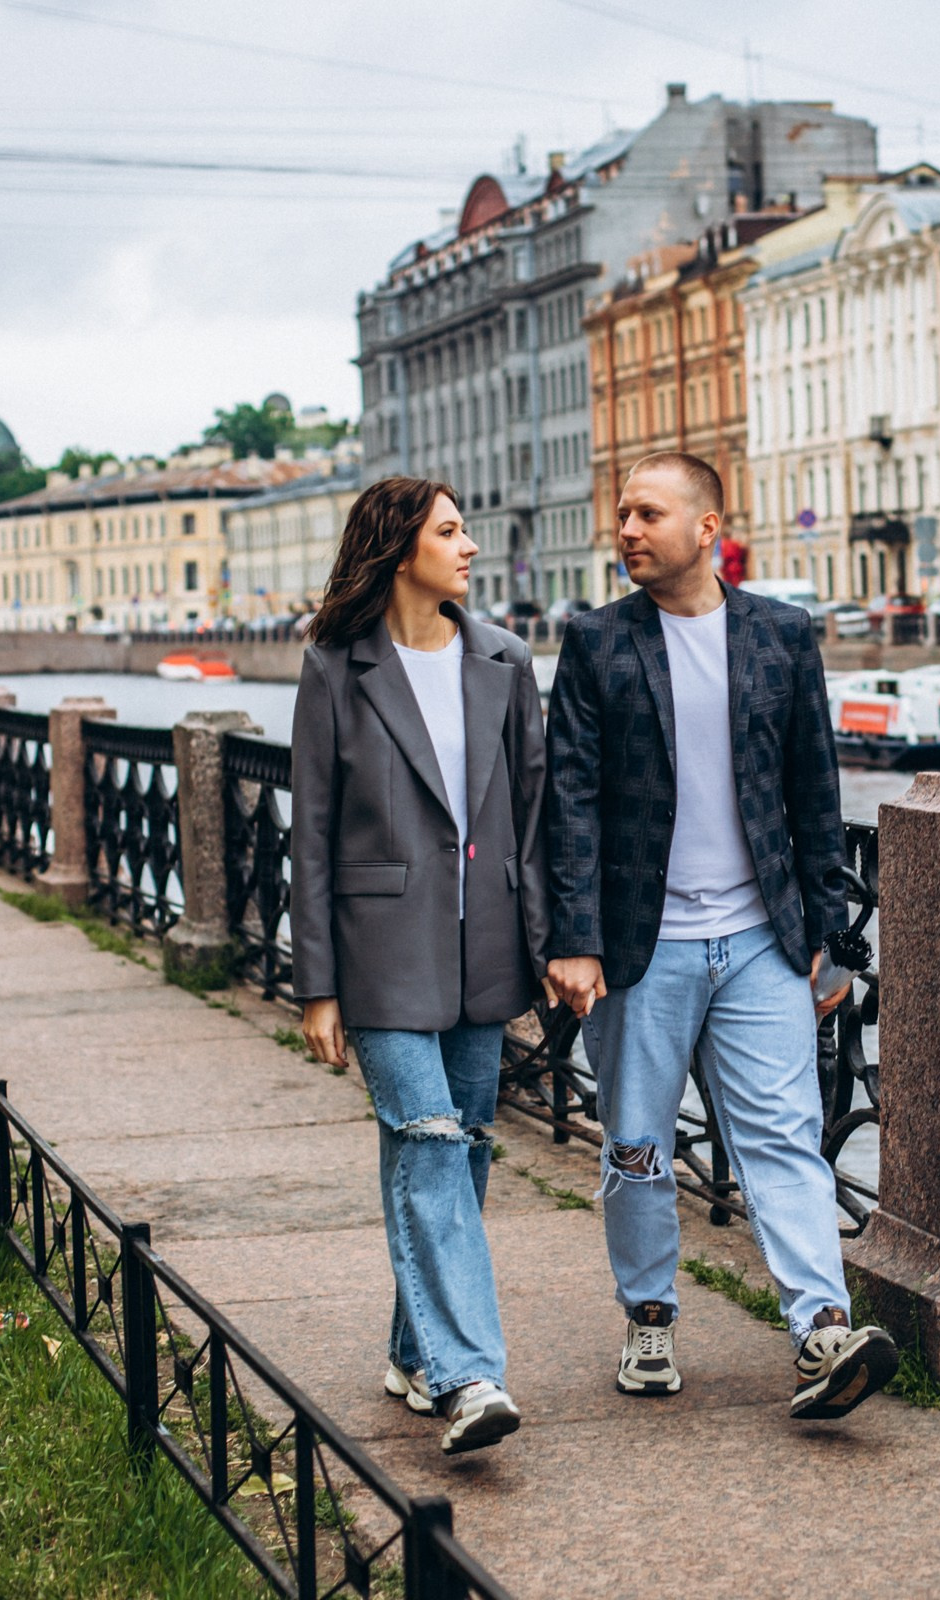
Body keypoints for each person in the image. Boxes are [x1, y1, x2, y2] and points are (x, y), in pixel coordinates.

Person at [543, 450, 900, 1421]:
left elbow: (814, 797)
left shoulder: (782, 637)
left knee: (784, 1137)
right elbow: (567, 799)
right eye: (621, 514)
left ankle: (822, 1327)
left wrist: (831, 934)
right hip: (639, 947)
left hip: (758, 942)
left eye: (648, 513)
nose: (627, 530)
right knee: (638, 1146)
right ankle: (650, 1313)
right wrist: (571, 939)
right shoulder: (597, 641)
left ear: (708, 528)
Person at [290, 476, 547, 1455]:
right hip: (381, 956)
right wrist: (317, 985)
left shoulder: (504, 661)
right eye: (451, 530)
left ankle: (410, 1346)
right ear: (402, 549)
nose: (471, 545)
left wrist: (556, 944)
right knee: (430, 1139)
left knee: (462, 1147)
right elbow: (309, 832)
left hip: (484, 950)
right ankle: (468, 1374)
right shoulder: (335, 666)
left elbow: (531, 814)